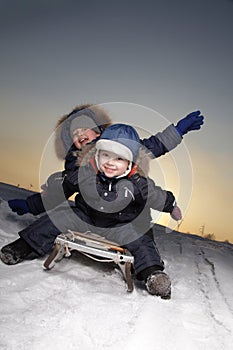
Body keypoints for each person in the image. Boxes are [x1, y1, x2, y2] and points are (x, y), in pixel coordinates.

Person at [1, 124, 182, 299]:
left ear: (130, 161)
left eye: (119, 158)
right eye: (106, 155)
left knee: (140, 238)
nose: (110, 163)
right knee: (59, 216)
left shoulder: (138, 183)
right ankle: (22, 247)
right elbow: (57, 193)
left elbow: (157, 196)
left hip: (120, 225)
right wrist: (30, 205)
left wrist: (172, 206)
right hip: (85, 217)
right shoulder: (84, 173)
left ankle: (153, 274)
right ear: (97, 154)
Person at [7, 104, 204, 216]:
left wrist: (178, 130)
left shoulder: (122, 148)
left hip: (122, 213)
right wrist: (34, 203)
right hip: (89, 211)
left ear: (98, 130)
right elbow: (64, 185)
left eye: (83, 128)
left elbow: (154, 145)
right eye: (74, 134)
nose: (79, 134)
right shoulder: (75, 160)